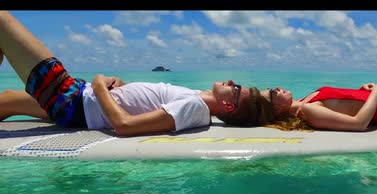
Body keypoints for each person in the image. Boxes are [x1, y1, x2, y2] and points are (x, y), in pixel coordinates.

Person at [0, 11, 257, 137]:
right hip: (82, 99)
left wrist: (100, 86)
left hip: (72, 99)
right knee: (7, 101)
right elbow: (142, 103)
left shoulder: (194, 108)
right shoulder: (196, 100)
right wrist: (121, 86)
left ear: (228, 106)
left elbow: (124, 126)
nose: (232, 82)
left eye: (236, 89)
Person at [218, 83, 377, 135]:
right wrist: (375, 94)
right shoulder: (307, 112)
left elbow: (343, 100)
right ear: (277, 110)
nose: (277, 88)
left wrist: (362, 89)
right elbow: (359, 124)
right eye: (273, 93)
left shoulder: (305, 101)